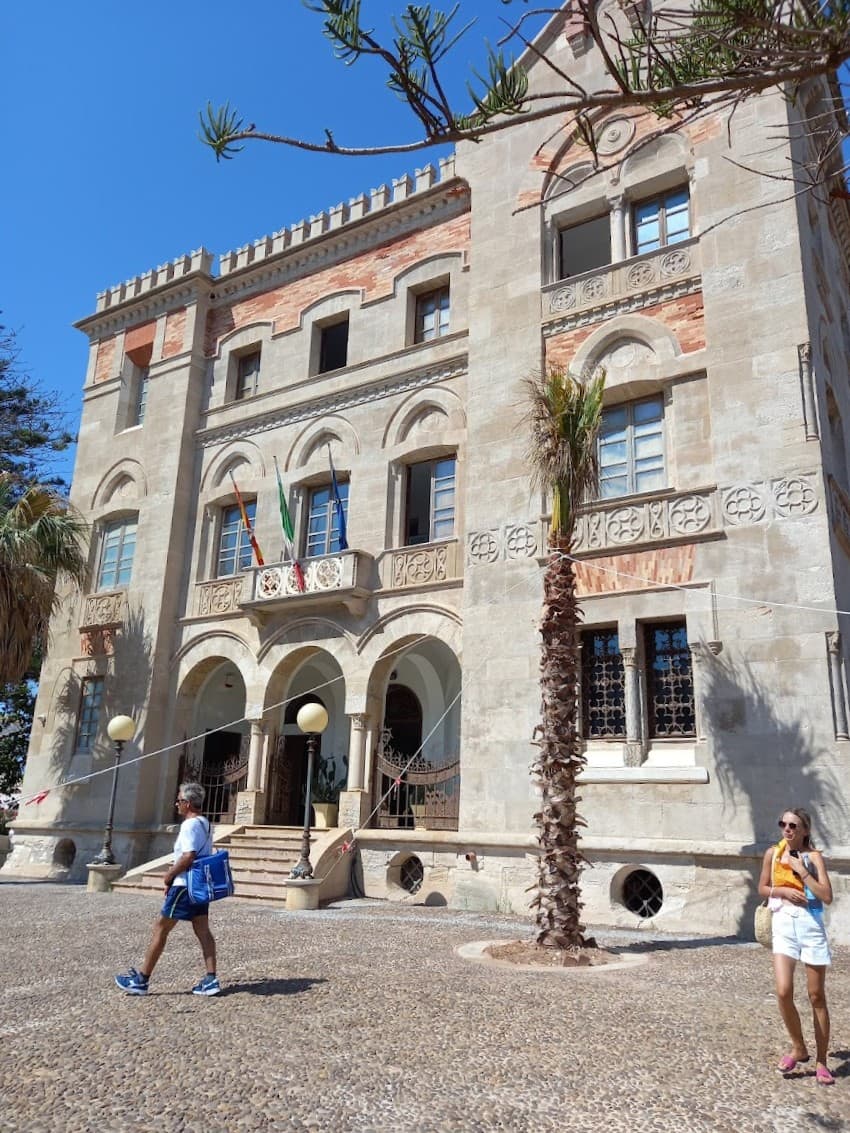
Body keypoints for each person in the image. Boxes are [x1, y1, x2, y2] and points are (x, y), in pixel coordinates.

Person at [115, 781, 221, 997]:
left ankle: (141, 980)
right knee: (202, 930)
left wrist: (169, 875)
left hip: (184, 884)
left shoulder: (190, 825)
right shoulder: (206, 823)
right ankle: (211, 979)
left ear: (188, 803)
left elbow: (188, 856)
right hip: (198, 885)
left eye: (179, 801)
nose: (176, 805)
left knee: (160, 928)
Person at [758, 807, 834, 1084]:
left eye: (793, 825)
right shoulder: (773, 854)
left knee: (816, 996)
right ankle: (798, 1046)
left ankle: (822, 1061)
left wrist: (802, 871)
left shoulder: (813, 858)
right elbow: (763, 888)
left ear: (805, 830)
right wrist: (781, 890)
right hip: (783, 924)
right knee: (783, 990)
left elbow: (826, 896)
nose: (787, 829)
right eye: (783, 824)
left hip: (810, 926)